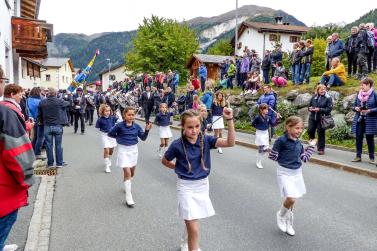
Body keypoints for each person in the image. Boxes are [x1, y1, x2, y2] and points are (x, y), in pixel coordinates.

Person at [161, 108, 235, 251]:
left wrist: (230, 120)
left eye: (197, 126)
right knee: (194, 229)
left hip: (202, 185)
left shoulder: (206, 140)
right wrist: (178, 168)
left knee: (193, 219)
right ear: (182, 126)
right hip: (186, 187)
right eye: (190, 127)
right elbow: (165, 161)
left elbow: (230, 143)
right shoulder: (176, 145)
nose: (194, 130)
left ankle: (185, 240)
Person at [0, 72, 35, 251]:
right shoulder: (6, 111)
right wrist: (28, 180)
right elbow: (17, 153)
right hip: (4, 187)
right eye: (20, 93)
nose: (22, 96)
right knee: (6, 221)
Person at [269, 116, 316, 236]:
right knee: (291, 198)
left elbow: (304, 159)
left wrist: (311, 147)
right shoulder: (281, 140)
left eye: (301, 128)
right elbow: (273, 157)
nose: (299, 131)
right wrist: (270, 151)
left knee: (292, 201)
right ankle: (280, 215)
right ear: (288, 127)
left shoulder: (299, 143)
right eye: (297, 128)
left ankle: (289, 222)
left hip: (297, 173)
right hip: (284, 173)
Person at [108, 107, 152, 207]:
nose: (131, 117)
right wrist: (118, 137)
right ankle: (129, 195)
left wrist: (147, 131)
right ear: (124, 115)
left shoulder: (136, 126)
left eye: (133, 115)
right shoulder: (119, 126)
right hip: (123, 151)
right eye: (129, 115)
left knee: (132, 172)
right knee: (127, 172)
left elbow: (143, 138)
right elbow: (110, 133)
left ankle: (127, 184)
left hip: (133, 150)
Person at [38, 88, 70, 168]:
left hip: (47, 126)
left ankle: (50, 164)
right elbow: (68, 103)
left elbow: (39, 115)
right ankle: (59, 163)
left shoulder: (42, 102)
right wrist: (68, 95)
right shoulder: (59, 101)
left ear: (48, 93)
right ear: (56, 93)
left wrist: (41, 122)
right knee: (58, 145)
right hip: (57, 125)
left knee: (49, 146)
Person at [351, 78, 377, 163]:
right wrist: (356, 108)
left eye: (362, 85)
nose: (361, 86)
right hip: (359, 119)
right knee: (358, 137)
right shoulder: (359, 94)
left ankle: (372, 157)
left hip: (370, 120)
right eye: (360, 85)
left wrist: (370, 110)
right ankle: (358, 156)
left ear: (369, 84)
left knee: (370, 138)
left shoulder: (374, 94)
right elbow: (353, 106)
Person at [307, 84, 333, 155]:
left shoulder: (328, 98)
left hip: (321, 118)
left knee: (320, 132)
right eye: (321, 89)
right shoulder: (314, 97)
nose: (323, 91)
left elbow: (329, 109)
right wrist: (310, 109)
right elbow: (309, 106)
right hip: (312, 117)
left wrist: (320, 109)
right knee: (310, 130)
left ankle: (321, 149)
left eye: (324, 89)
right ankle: (311, 146)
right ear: (318, 90)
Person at [251, 103, 275, 169]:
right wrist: (258, 127)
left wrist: (277, 118)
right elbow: (253, 124)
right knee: (261, 147)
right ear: (261, 110)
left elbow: (273, 124)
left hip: (266, 133)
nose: (267, 110)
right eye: (265, 109)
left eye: (267, 109)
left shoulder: (268, 117)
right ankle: (258, 162)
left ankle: (259, 154)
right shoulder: (258, 117)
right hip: (260, 133)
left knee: (266, 148)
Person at [95, 104, 118, 173]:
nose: (107, 112)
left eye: (109, 111)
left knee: (111, 150)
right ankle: (107, 166)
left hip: (113, 135)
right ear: (102, 111)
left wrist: (118, 114)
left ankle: (109, 158)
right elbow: (98, 128)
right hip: (104, 135)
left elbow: (119, 120)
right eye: (106, 111)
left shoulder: (113, 117)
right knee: (106, 150)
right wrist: (104, 131)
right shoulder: (100, 119)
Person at [27, 87, 45, 158]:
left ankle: (32, 151)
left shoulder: (28, 99)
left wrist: (32, 119)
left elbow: (28, 110)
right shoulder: (41, 100)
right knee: (40, 137)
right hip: (40, 119)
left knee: (35, 136)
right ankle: (37, 153)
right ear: (38, 92)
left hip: (32, 120)